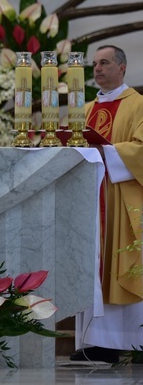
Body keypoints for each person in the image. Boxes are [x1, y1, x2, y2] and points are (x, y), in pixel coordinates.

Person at [73, 45, 143, 363]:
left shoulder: (138, 105)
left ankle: (125, 342)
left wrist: (107, 151)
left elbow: (141, 149)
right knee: (89, 264)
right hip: (88, 197)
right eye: (95, 64)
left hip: (121, 200)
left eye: (105, 63)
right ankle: (94, 342)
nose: (97, 69)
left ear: (122, 68)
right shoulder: (84, 108)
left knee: (122, 265)